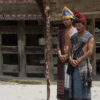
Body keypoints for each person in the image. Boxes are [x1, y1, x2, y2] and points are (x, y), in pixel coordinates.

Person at [68, 11, 95, 100]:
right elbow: (69, 50)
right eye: (76, 25)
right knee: (75, 87)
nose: (77, 27)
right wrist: (70, 59)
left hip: (84, 66)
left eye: (79, 25)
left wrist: (78, 60)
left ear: (84, 24)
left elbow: (90, 51)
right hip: (74, 65)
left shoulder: (89, 37)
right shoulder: (73, 37)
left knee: (85, 88)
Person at [57, 6, 77, 100]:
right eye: (64, 20)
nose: (65, 21)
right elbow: (58, 45)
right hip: (61, 59)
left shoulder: (75, 32)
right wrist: (60, 54)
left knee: (70, 80)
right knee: (62, 80)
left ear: (72, 20)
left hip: (71, 58)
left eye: (67, 19)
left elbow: (75, 47)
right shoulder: (61, 32)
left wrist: (68, 55)